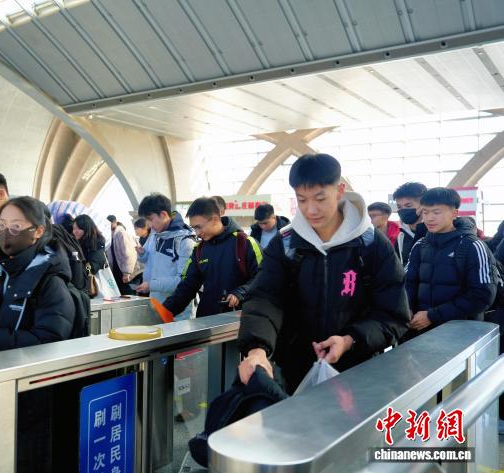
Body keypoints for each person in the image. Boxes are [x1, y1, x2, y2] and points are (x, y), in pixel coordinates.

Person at [237, 154, 409, 393]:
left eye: (320, 198)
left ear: (339, 191)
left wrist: (349, 340)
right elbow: (265, 298)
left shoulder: (371, 244)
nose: (311, 209)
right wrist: (257, 349)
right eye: (302, 200)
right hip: (293, 372)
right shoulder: (286, 244)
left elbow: (393, 314)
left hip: (356, 370)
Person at [0, 197, 77, 472]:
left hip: (32, 394)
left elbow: (49, 340)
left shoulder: (50, 280)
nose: (7, 233)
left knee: (26, 457)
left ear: (38, 231)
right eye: (2, 225)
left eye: (17, 226)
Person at [403, 187, 496, 339]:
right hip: (420, 330)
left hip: (461, 334)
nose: (429, 218)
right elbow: (408, 283)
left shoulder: (472, 246)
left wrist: (432, 315)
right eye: (425, 212)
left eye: (436, 212)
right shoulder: (420, 245)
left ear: (454, 213)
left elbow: (483, 295)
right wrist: (407, 309)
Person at [157, 197, 262, 318]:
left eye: (199, 227)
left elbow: (262, 278)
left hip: (240, 320)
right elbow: (187, 286)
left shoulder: (244, 243)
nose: (197, 233)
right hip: (206, 320)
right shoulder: (199, 249)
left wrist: (240, 293)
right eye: (194, 228)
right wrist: (163, 312)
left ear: (214, 219)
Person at [135, 193, 196, 319]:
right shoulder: (156, 235)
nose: (149, 225)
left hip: (178, 312)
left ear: (163, 214)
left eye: (150, 219)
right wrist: (143, 254)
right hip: (156, 303)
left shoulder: (185, 241)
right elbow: (152, 261)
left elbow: (184, 282)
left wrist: (151, 285)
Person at [393, 182, 428, 267]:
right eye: (399, 207)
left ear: (423, 205)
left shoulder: (435, 231)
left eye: (408, 206)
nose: (403, 210)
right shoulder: (400, 237)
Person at [107, 215, 142, 295]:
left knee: (128, 294)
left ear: (115, 222)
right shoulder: (111, 235)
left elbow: (129, 254)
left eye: (110, 223)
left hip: (127, 271)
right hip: (118, 270)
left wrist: (127, 272)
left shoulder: (121, 234)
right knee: (123, 295)